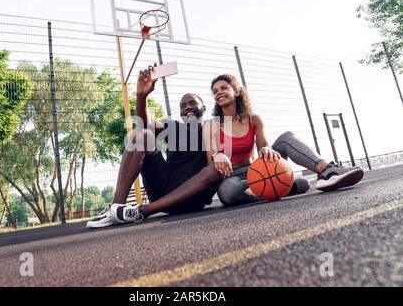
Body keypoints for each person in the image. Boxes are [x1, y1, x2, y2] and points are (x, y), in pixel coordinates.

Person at [86, 65, 223, 229]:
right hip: (163, 190)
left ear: (204, 107)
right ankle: (116, 209)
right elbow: (145, 126)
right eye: (183, 105)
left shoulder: (212, 127)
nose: (187, 106)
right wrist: (141, 95)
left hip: (192, 198)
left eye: (192, 102)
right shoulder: (173, 127)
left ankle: (143, 211)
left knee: (215, 168)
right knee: (142, 135)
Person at [203, 74, 365, 207]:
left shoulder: (254, 120)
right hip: (234, 177)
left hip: (256, 168)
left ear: (237, 91)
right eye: (215, 91)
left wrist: (266, 149)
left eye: (224, 88)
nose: (219, 92)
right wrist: (217, 155)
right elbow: (211, 161)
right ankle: (282, 186)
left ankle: (328, 171)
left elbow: (264, 145)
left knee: (286, 138)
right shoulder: (211, 124)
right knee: (228, 193)